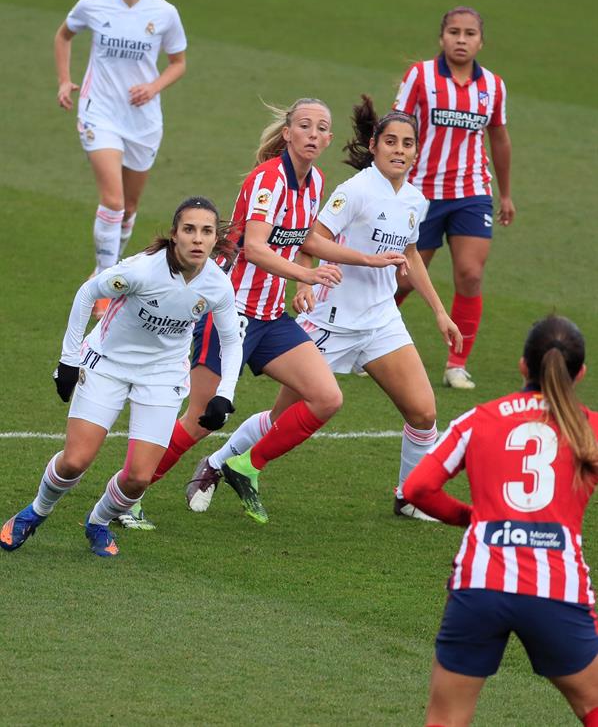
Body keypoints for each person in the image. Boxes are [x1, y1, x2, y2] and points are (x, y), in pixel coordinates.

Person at [186, 96, 463, 522]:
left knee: (424, 411)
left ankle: (409, 496)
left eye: (407, 144)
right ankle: (218, 463)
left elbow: (410, 255)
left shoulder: (414, 200)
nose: (399, 150)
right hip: (331, 319)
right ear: (374, 145)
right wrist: (303, 278)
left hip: (381, 320)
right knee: (283, 416)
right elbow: (308, 238)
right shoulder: (353, 192)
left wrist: (440, 312)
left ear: (416, 151)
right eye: (391, 141)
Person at [146, 97, 408, 524]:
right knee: (200, 418)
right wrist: (306, 278)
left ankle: (242, 465)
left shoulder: (315, 181)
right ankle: (130, 493)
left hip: (270, 318)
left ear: (327, 140)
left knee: (326, 397)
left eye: (321, 128)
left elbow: (307, 240)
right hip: (231, 316)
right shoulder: (269, 181)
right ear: (288, 133)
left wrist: (369, 259)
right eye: (304, 125)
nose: (313, 133)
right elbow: (255, 247)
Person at [0, 197, 242, 558]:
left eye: (206, 231)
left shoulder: (218, 285)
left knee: (139, 478)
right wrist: (69, 361)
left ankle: (97, 522)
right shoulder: (142, 271)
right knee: (75, 460)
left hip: (162, 376)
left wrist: (224, 394)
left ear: (213, 238)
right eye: (189, 229)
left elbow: (231, 341)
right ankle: (36, 512)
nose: (197, 238)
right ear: (175, 234)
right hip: (107, 364)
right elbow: (88, 293)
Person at [402, 315, 598, 727]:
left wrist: (469, 518)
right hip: (557, 590)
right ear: (579, 373)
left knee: (446, 719)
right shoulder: (590, 428)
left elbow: (417, 489)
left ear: (523, 366)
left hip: (479, 587)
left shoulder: (479, 419)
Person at [54, 0, 187, 319]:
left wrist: (154, 87)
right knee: (112, 201)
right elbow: (64, 35)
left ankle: (102, 267)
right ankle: (105, 285)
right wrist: (65, 81)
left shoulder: (164, 13)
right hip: (100, 113)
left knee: (129, 208)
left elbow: (178, 63)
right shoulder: (92, 5)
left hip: (143, 122)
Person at [393, 6, 515, 390]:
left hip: (472, 193)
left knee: (471, 274)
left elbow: (499, 137)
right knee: (404, 278)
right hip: (420, 193)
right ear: (441, 37)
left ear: (481, 40)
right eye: (454, 32)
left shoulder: (493, 86)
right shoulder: (420, 76)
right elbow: (395, 127)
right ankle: (366, 339)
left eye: (469, 34)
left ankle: (456, 363)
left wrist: (506, 193)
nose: (461, 40)